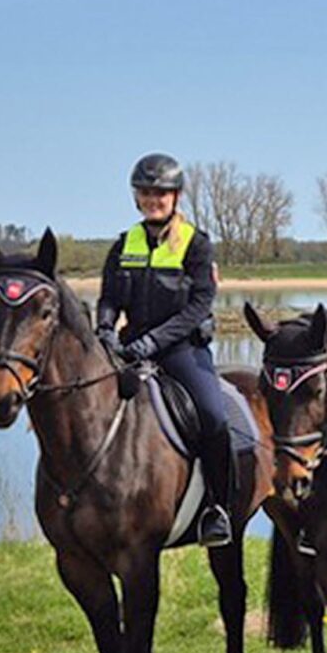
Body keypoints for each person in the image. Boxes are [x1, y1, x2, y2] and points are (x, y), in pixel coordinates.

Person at [97, 152, 235, 547]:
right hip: (130, 348)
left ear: (176, 196)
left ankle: (217, 508)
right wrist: (105, 328)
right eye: (145, 192)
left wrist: (154, 341)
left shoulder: (196, 244)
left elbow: (199, 305)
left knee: (213, 417)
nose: (153, 199)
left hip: (182, 349)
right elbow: (109, 298)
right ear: (136, 197)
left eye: (161, 193)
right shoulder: (124, 244)